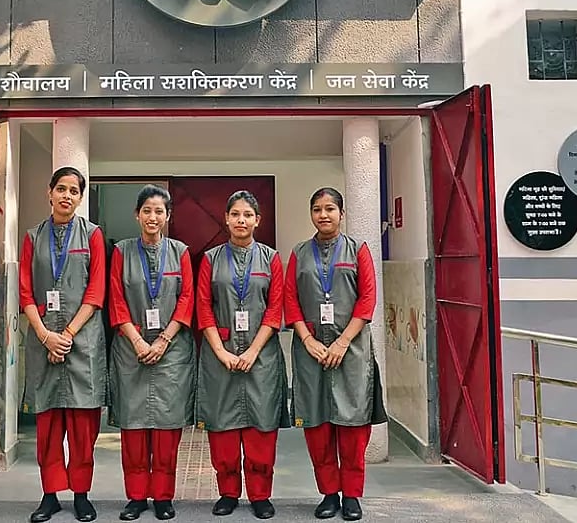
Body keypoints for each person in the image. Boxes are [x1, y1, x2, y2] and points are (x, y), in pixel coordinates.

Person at [284, 187, 387, 521]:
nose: (323, 215)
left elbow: (367, 298)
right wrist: (308, 339)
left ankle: (352, 495)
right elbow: (290, 300)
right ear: (311, 214)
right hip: (310, 351)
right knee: (317, 425)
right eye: (317, 209)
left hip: (351, 351)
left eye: (330, 208)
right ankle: (329, 493)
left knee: (352, 425)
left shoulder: (358, 251)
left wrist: (342, 341)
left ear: (342, 214)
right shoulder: (299, 253)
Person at [19, 166, 107, 523]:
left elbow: (96, 289)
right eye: (61, 189)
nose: (67, 196)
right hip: (43, 340)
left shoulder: (94, 236)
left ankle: (82, 494)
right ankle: (50, 494)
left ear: (81, 198)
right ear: (49, 192)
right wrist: (45, 335)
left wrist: (67, 334)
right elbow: (25, 290)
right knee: (49, 423)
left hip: (82, 342)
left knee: (83, 424)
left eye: (74, 191)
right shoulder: (32, 237)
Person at [195, 190, 289, 520]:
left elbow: (275, 307)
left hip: (260, 356)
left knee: (261, 426)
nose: (241, 221)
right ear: (226, 218)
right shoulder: (210, 259)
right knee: (222, 426)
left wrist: (253, 350)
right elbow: (203, 307)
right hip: (218, 355)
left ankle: (260, 494)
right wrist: (220, 350)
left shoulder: (271, 258)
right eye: (235, 214)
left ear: (257, 221)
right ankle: (228, 492)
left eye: (248, 215)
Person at [107, 185, 196, 521]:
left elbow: (187, 300)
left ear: (168, 216)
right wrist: (139, 341)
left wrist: (162, 341)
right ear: (137, 214)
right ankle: (136, 496)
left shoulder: (181, 252)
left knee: (166, 428)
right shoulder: (122, 252)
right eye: (147, 211)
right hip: (131, 351)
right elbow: (116, 299)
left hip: (171, 352)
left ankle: (162, 496)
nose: (153, 217)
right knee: (133, 427)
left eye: (159, 211)